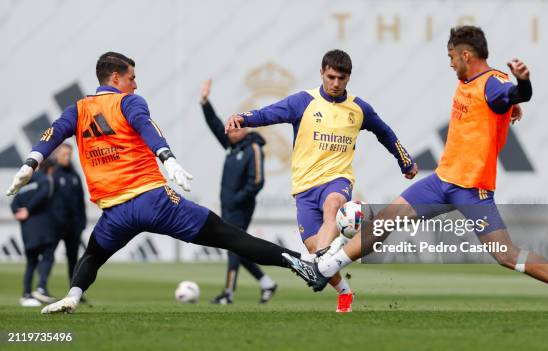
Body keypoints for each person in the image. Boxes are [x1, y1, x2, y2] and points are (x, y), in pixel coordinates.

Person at [286, 26, 548, 315]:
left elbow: (513, 93)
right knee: (386, 219)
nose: (451, 63)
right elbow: (503, 102)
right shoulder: (471, 81)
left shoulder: (493, 84)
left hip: (472, 190)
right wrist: (511, 105)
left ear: (466, 55)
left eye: (452, 57)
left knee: (507, 256)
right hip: (441, 181)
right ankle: (327, 265)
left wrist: (522, 85)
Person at [5, 52, 312, 314]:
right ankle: (300, 263)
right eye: (131, 77)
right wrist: (168, 159)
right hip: (154, 200)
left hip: (116, 214)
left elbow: (53, 132)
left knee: (93, 256)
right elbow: (146, 127)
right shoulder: (129, 102)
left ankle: (72, 296)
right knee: (228, 236)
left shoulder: (78, 110)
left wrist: (31, 162)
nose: (135, 84)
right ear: (115, 78)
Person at [225, 49, 418, 312]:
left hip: (337, 180)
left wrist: (404, 160)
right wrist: (243, 118)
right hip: (304, 188)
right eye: (331, 77)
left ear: (349, 78)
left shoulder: (359, 108)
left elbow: (385, 132)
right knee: (315, 248)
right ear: (322, 73)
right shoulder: (304, 102)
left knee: (333, 207)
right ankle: (344, 291)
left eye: (341, 78)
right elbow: (270, 113)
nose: (336, 83)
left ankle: (322, 264)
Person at [200, 79, 277, 304]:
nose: (230, 132)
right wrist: (205, 102)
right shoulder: (233, 147)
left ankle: (228, 294)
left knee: (232, 246)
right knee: (237, 246)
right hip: (229, 206)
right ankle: (267, 283)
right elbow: (215, 125)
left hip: (240, 207)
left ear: (245, 128)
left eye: (235, 127)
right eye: (230, 128)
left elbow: (257, 181)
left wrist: (237, 199)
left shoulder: (253, 146)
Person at [11, 159, 58, 306]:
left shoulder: (24, 183)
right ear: (49, 169)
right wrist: (29, 209)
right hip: (42, 226)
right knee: (48, 256)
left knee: (31, 262)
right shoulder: (44, 179)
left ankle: (26, 294)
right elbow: (43, 194)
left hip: (26, 229)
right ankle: (41, 288)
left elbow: (14, 203)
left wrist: (19, 212)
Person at [50, 143, 87, 288]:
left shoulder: (75, 175)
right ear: (57, 155)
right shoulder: (52, 173)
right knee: (48, 257)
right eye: (64, 154)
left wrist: (82, 222)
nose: (67, 157)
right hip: (56, 225)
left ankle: (74, 290)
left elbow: (80, 200)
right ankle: (41, 289)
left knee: (74, 260)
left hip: (73, 226)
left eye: (69, 154)